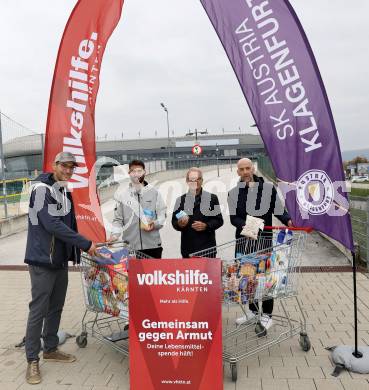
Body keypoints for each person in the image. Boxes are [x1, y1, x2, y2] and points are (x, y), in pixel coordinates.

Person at [24, 151, 98, 385]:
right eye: (64, 166)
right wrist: (86, 244)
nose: (68, 170)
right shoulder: (40, 189)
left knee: (56, 306)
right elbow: (52, 224)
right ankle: (32, 359)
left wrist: (73, 251)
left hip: (59, 260)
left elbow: (69, 223)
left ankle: (51, 348)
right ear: (54, 165)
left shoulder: (63, 189)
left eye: (71, 167)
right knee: (39, 309)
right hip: (42, 260)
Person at [227, 158, 292, 329]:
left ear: (253, 169)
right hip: (244, 241)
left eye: (248, 168)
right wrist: (248, 227)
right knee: (247, 279)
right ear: (237, 172)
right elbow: (234, 218)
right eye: (242, 169)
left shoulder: (268, 189)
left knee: (265, 279)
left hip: (264, 241)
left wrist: (288, 221)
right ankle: (253, 312)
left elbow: (279, 210)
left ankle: (268, 315)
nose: (245, 172)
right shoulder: (233, 193)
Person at [110, 160, 166, 258]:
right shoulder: (122, 196)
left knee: (153, 273)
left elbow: (162, 216)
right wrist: (114, 235)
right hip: (130, 248)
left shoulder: (155, 193)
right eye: (133, 171)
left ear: (144, 172)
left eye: (139, 171)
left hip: (153, 247)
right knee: (133, 273)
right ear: (129, 174)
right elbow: (118, 220)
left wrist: (154, 224)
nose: (136, 174)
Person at [172, 167, 223, 257]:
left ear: (202, 180)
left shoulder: (212, 198)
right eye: (192, 179)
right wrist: (180, 224)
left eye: (198, 179)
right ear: (187, 181)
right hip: (188, 249)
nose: (195, 182)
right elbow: (174, 222)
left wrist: (206, 226)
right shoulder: (180, 200)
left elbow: (219, 220)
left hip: (208, 248)